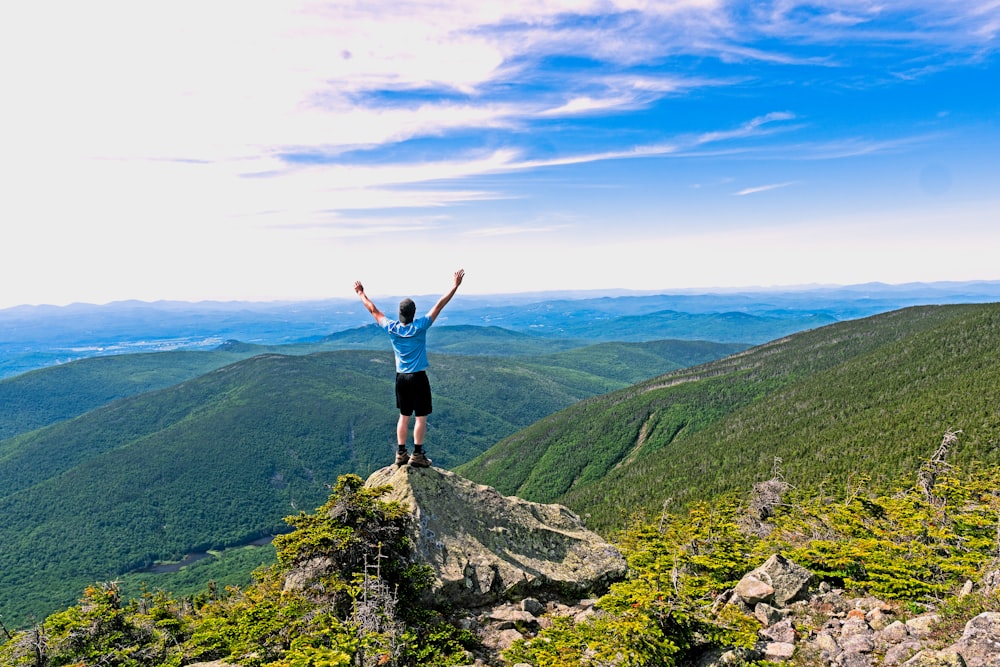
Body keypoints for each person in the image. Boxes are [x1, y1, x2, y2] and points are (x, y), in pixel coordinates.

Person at [354, 269, 465, 468]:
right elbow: (440, 305)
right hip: (418, 377)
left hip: (401, 378)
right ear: (413, 314)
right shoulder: (420, 326)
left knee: (404, 416)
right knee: (421, 417)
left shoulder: (392, 327)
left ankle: (401, 453)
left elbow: (373, 310)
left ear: (400, 314)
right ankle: (418, 454)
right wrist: (455, 286)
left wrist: (361, 293)